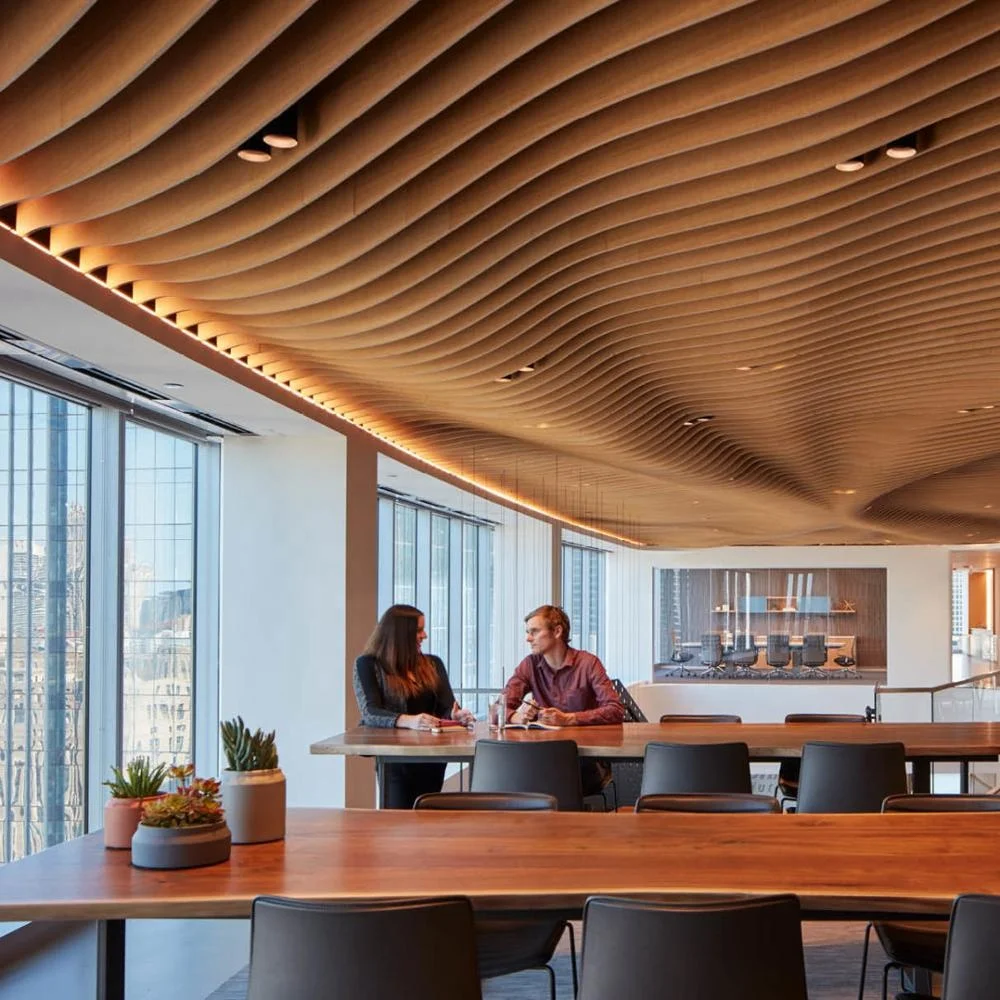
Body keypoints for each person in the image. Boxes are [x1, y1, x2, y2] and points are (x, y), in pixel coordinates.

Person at [353, 604, 475, 809]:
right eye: (418, 630)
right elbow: (370, 712)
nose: (424, 635)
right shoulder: (368, 664)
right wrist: (409, 720)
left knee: (428, 817)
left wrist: (455, 715)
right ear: (401, 634)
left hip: (432, 758)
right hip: (395, 760)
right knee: (397, 821)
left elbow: (447, 707)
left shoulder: (433, 663)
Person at [501, 604, 624, 796]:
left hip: (585, 762)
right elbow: (499, 708)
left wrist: (569, 719)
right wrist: (517, 717)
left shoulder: (588, 663)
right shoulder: (529, 664)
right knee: (516, 772)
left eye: (534, 631)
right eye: (527, 632)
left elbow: (615, 709)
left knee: (529, 778)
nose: (528, 638)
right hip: (541, 759)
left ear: (557, 631)